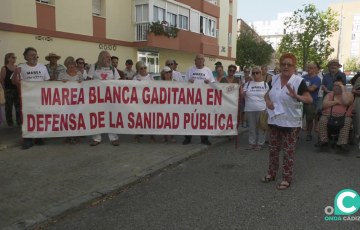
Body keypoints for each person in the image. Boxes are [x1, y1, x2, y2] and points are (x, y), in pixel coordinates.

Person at [262, 53, 312, 190]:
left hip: (290, 125)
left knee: (288, 154)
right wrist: (267, 101)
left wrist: (297, 96)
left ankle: (286, 178)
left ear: (294, 66)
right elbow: (267, 93)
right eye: (283, 63)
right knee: (273, 150)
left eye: (289, 64)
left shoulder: (298, 81)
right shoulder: (274, 78)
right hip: (274, 122)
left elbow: (309, 100)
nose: (285, 66)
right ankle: (272, 174)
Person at [11, 47, 50, 149]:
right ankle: (28, 139)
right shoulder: (21, 67)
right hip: (27, 98)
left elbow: (47, 82)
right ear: (26, 57)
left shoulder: (42, 67)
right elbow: (14, 82)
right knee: (28, 119)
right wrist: (16, 72)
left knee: (40, 118)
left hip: (40, 98)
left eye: (35, 54)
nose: (34, 56)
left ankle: (39, 137)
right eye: (32, 54)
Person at [87, 51, 121, 146]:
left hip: (110, 97)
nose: (109, 59)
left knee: (111, 117)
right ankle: (96, 138)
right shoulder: (94, 67)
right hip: (97, 98)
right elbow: (88, 81)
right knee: (96, 117)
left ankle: (113, 138)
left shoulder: (113, 69)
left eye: (109, 57)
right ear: (101, 57)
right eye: (107, 57)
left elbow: (118, 82)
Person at [183, 54, 215, 146]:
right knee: (190, 118)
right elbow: (184, 83)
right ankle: (188, 138)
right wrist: (189, 82)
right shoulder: (190, 70)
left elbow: (213, 83)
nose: (200, 61)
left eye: (202, 59)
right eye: (198, 59)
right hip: (192, 99)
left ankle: (204, 138)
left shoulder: (208, 70)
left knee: (204, 118)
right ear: (195, 60)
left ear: (204, 61)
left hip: (204, 99)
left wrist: (209, 83)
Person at [315, 78, 354, 151]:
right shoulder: (329, 95)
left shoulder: (349, 95)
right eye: (334, 85)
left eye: (339, 85)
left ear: (343, 86)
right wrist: (337, 102)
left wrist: (343, 91)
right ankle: (323, 141)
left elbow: (346, 102)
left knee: (347, 121)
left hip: (344, 116)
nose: (336, 87)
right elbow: (324, 105)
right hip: (329, 115)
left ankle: (342, 143)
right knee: (322, 119)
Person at [58, 56, 84, 145]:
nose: (72, 66)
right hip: (65, 101)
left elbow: (84, 84)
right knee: (66, 118)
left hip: (77, 100)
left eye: (73, 64)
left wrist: (81, 82)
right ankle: (68, 137)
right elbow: (56, 86)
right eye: (70, 64)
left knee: (76, 118)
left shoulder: (79, 73)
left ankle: (76, 137)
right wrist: (61, 83)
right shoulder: (62, 74)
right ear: (66, 65)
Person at [242, 66, 269, 151]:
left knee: (261, 127)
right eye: (253, 73)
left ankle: (260, 143)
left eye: (257, 72)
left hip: (262, 109)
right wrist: (239, 86)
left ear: (260, 73)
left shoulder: (265, 84)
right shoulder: (248, 83)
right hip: (250, 109)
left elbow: (268, 97)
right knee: (252, 128)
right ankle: (252, 143)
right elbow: (243, 94)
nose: (255, 74)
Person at [133, 61, 156, 144]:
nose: (143, 70)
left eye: (145, 68)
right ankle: (137, 136)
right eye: (141, 68)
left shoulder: (150, 77)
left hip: (149, 102)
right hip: (139, 102)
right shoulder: (135, 78)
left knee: (150, 119)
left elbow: (154, 87)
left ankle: (152, 137)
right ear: (138, 69)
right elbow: (132, 88)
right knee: (138, 119)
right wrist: (135, 83)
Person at [302, 63, 321, 141]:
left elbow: (313, 89)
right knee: (298, 118)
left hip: (311, 102)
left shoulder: (317, 79)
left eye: (311, 68)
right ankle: (295, 135)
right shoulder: (303, 77)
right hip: (301, 101)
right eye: (308, 68)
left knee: (310, 119)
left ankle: (309, 134)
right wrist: (308, 88)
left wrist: (303, 87)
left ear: (315, 69)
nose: (309, 69)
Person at [0, 53, 21, 127]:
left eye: (15, 57)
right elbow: (2, 80)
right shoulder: (4, 68)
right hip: (9, 89)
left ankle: (19, 121)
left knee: (18, 106)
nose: (14, 58)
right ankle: (10, 123)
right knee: (9, 107)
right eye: (13, 57)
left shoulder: (17, 68)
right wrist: (4, 90)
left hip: (17, 89)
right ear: (8, 59)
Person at [160, 66, 176, 143]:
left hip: (172, 104)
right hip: (163, 104)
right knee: (164, 120)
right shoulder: (160, 83)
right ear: (163, 74)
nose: (168, 74)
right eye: (166, 72)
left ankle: (172, 136)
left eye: (169, 72)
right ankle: (165, 136)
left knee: (172, 120)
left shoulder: (174, 82)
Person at [351, 76, 360, 140]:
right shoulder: (359, 78)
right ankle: (358, 135)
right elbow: (353, 90)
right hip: (358, 98)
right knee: (357, 118)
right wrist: (355, 91)